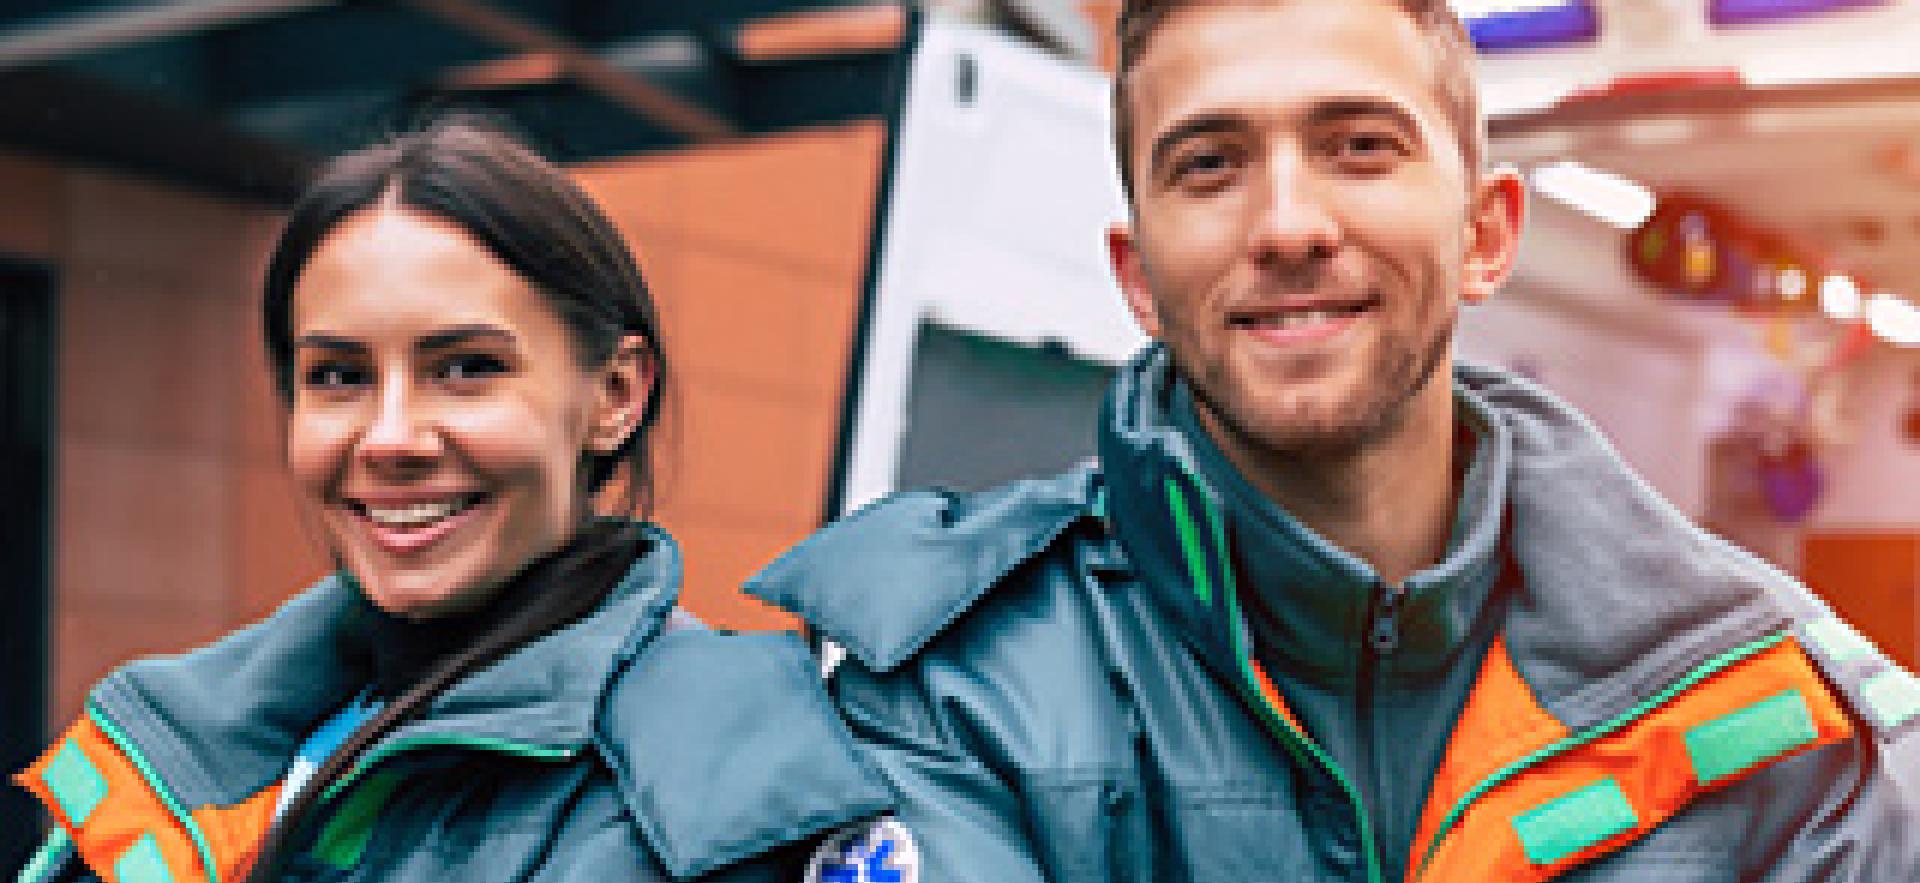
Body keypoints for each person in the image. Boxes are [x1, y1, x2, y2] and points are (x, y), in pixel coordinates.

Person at [749, 2, 1920, 881]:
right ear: (1138, 278)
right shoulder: (958, 697)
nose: (1289, 224)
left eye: (1360, 145)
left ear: (1485, 232)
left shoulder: (1771, 705)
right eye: (1210, 164)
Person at [11, 118, 891, 883]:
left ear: (616, 393)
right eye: (340, 375)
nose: (390, 437)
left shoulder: (712, 783)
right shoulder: (183, 733)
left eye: (467, 368)